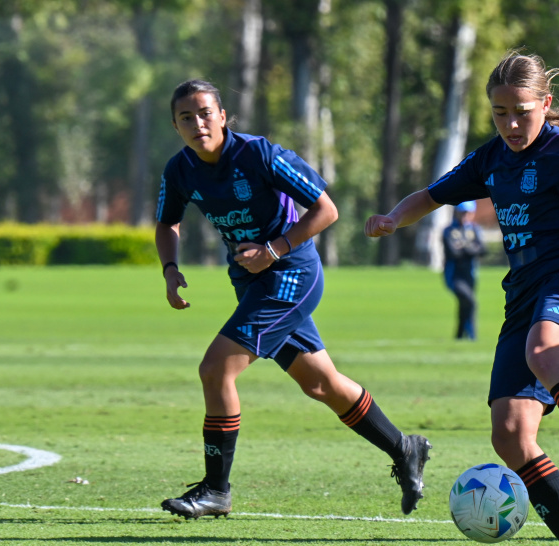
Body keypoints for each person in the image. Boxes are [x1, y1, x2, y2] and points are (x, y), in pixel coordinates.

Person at [366, 52, 559, 546]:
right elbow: (431, 196)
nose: (512, 124)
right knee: (510, 434)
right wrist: (392, 218)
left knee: (545, 352)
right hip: (522, 295)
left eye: (522, 111)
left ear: (546, 104)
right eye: (500, 113)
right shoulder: (491, 159)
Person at [155, 79, 431, 519]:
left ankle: (216, 489)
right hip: (251, 281)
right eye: (186, 117)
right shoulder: (180, 169)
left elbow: (327, 210)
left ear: (223, 116)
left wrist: (272, 251)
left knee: (215, 370)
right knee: (319, 382)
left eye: (206, 112)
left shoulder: (260, 155)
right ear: (175, 125)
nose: (198, 123)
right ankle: (405, 448)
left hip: (291, 275)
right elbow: (168, 223)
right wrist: (170, 271)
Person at [443, 201, 484, 340]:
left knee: (464, 304)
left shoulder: (474, 229)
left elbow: (483, 250)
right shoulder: (449, 231)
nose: (465, 216)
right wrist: (471, 248)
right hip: (454, 275)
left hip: (470, 275)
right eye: (462, 212)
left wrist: (464, 247)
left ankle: (459, 336)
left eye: (468, 212)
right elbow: (453, 253)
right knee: (471, 301)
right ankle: (473, 336)